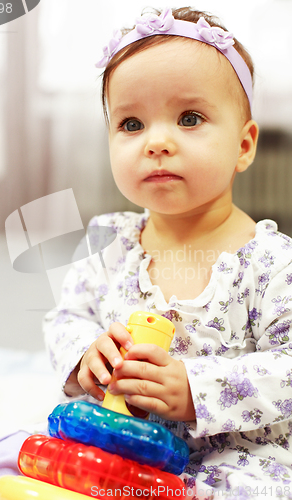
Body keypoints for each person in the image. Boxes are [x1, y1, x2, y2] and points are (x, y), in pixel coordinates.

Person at [43, 6, 292, 500]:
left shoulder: (270, 262)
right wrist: (85, 357)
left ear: (243, 146)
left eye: (189, 118)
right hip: (119, 448)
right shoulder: (107, 241)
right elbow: (66, 317)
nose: (156, 141)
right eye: (131, 123)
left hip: (231, 458)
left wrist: (196, 389)